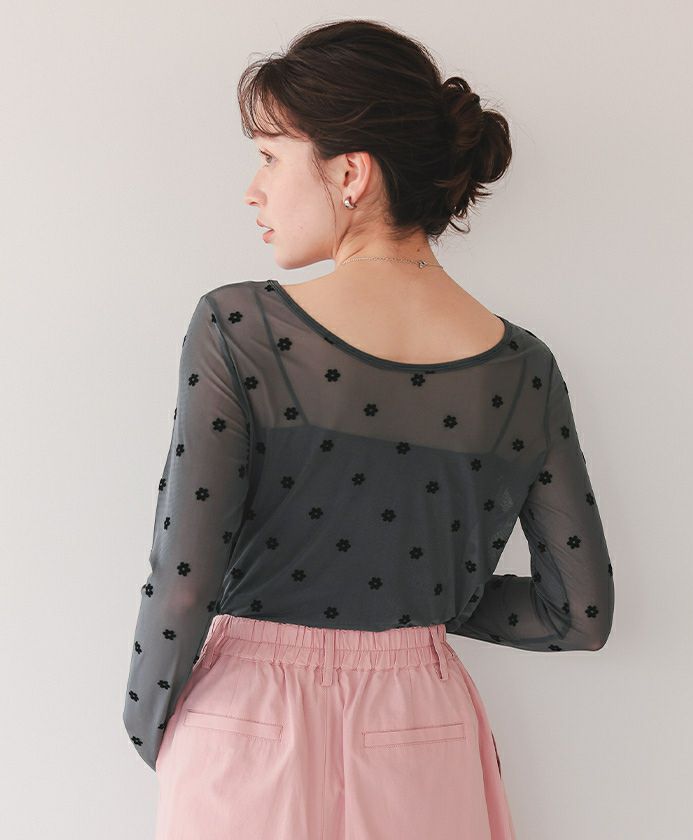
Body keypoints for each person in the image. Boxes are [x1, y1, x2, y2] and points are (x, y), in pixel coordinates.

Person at [123, 18, 614, 839]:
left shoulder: (241, 329)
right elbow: (579, 615)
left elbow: (184, 581)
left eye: (270, 156)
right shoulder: (524, 368)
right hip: (423, 723)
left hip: (248, 719)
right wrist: (423, 595)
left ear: (350, 171)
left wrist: (153, 734)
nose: (253, 189)